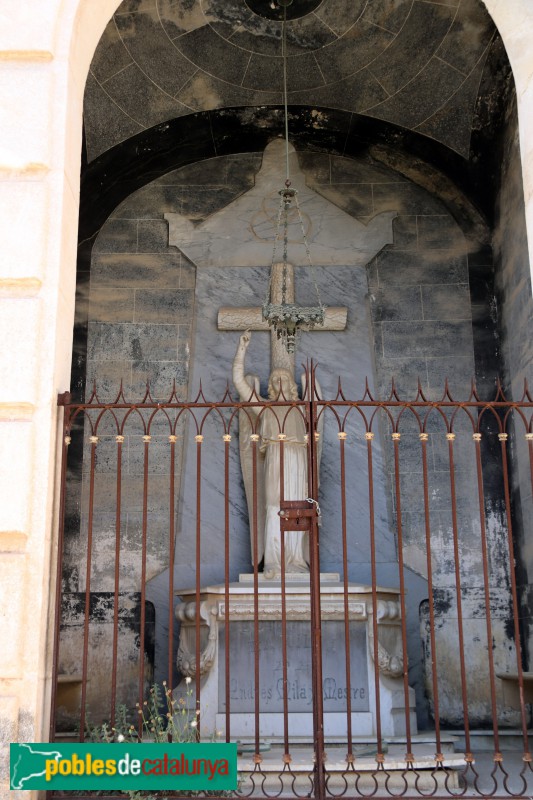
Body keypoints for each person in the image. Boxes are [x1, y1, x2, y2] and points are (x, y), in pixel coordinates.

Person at [233, 332, 309, 578]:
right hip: (275, 456)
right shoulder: (264, 408)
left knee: (298, 507)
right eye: (274, 379)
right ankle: (275, 562)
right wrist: (241, 350)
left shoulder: (303, 409)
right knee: (275, 505)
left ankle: (296, 561)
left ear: (292, 385)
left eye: (283, 378)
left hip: (298, 457)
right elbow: (239, 383)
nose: (278, 382)